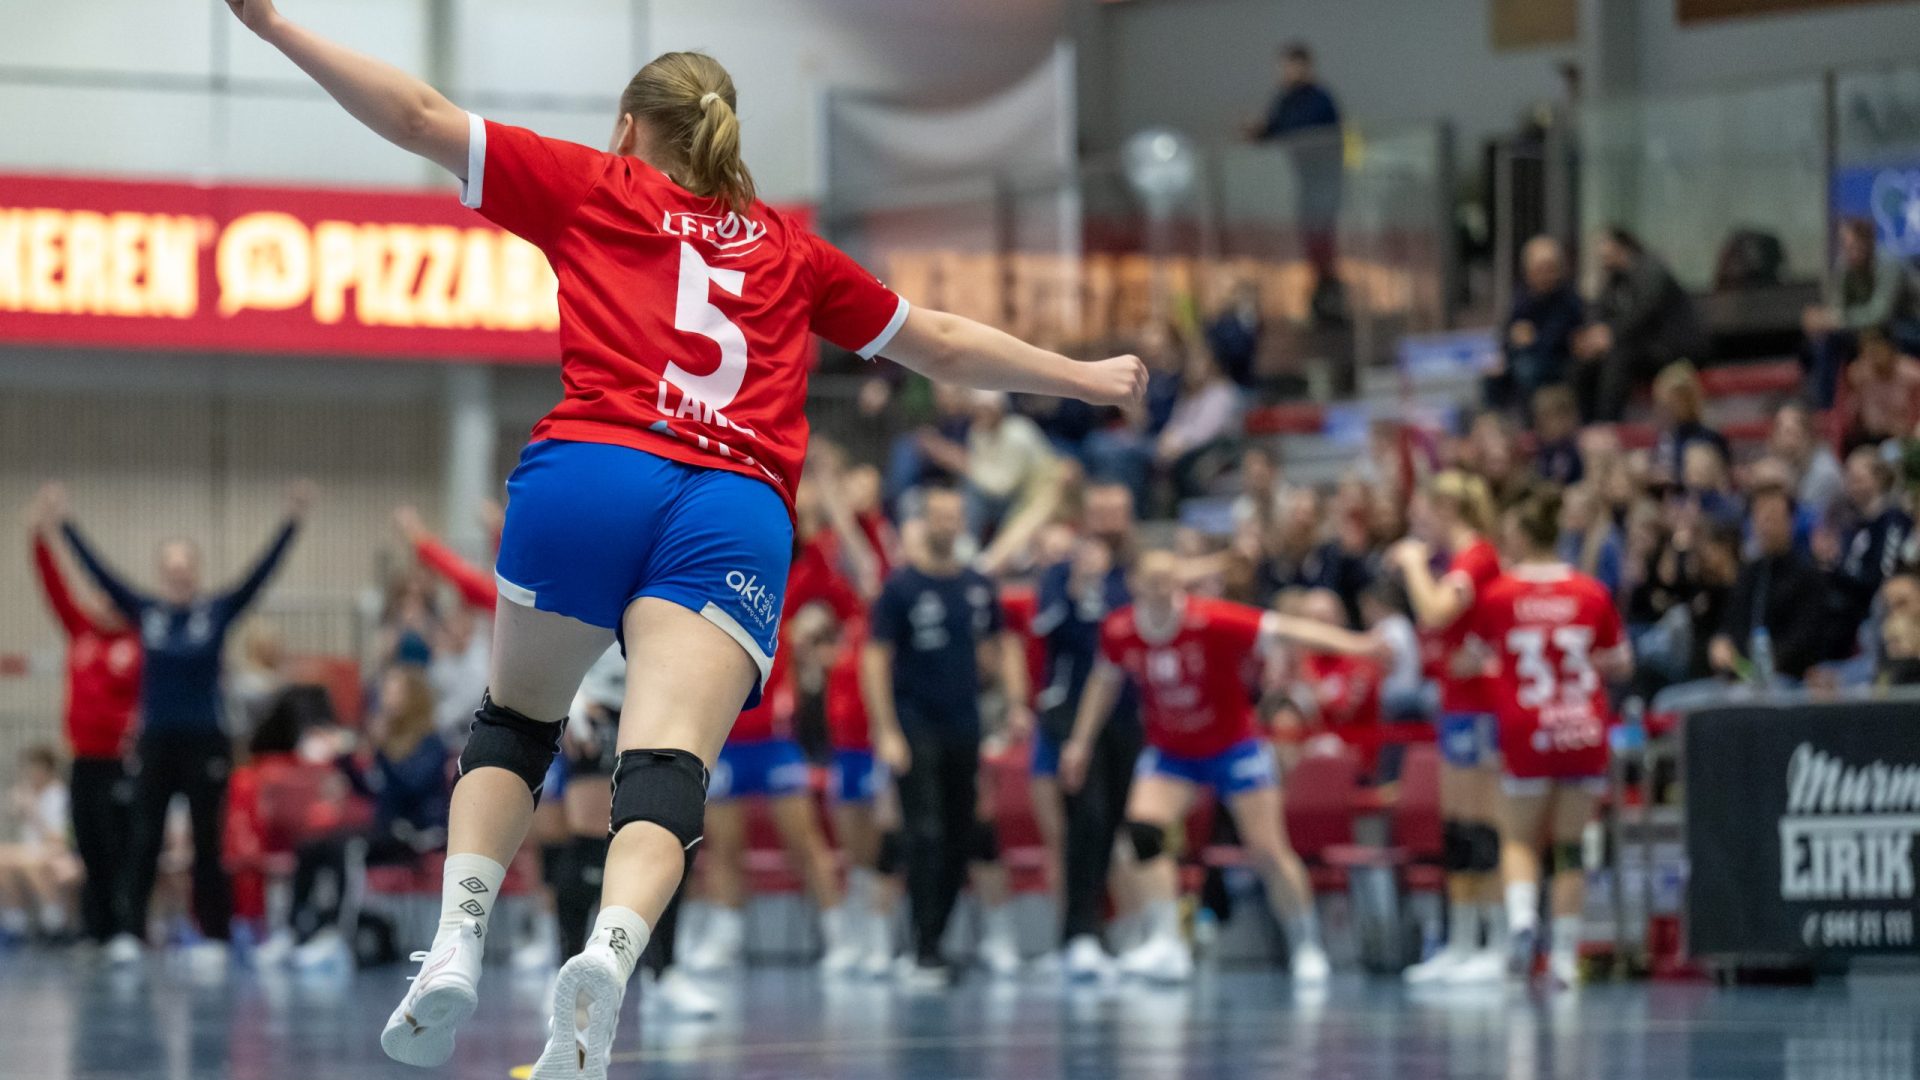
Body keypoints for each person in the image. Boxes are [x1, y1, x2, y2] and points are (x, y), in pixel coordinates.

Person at [221, 3, 1143, 1069]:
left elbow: (421, 117)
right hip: (733, 508)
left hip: (593, 472)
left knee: (517, 722)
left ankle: (458, 939)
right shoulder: (793, 248)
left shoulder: (598, 184)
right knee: (663, 762)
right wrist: (1084, 378)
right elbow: (933, 340)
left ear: (630, 127)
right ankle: (611, 956)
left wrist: (278, 27)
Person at [1059, 550, 1381, 985]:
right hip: (1173, 752)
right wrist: (1080, 742)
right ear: (1135, 584)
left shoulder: (1210, 619)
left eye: (1168, 580)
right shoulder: (1120, 630)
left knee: (1267, 848)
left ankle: (1306, 944)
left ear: (1180, 582)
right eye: (1151, 581)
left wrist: (1358, 645)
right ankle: (1167, 942)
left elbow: (1286, 629)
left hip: (1234, 747)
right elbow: (1103, 681)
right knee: (1142, 834)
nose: (1160, 589)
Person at [60, 479, 309, 970]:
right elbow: (98, 571)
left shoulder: (215, 611)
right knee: (144, 838)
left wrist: (291, 523)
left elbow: (260, 575)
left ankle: (214, 934)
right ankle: (130, 933)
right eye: (170, 568)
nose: (178, 575)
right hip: (156, 741)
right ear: (162, 573)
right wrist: (65, 525)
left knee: (207, 840)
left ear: (195, 571)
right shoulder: (145, 611)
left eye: (185, 567)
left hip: (206, 741)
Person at [861, 488, 1034, 988]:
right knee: (925, 832)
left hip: (965, 723)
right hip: (915, 722)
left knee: (962, 832)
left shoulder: (977, 585)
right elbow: (876, 658)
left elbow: (1001, 643)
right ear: (924, 522)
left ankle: (937, 938)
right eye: (938, 516)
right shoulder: (901, 587)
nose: (947, 524)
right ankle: (922, 947)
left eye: (954, 517)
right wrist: (886, 729)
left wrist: (1016, 702)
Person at [1467, 489, 1632, 988]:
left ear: (1520, 536)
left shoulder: (1499, 594)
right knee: (1570, 848)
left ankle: (1521, 923)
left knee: (1518, 838)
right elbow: (1622, 661)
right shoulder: (1590, 592)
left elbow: (1471, 656)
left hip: (1527, 726)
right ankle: (1562, 958)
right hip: (1582, 726)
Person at [1386, 471, 1507, 986]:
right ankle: (1461, 942)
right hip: (1457, 704)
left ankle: (1497, 944)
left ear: (1447, 510)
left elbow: (1436, 612)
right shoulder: (1455, 562)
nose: (1416, 526)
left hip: (1482, 707)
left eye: (1422, 515)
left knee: (1483, 827)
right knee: (1457, 829)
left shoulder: (1476, 557)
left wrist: (1413, 565)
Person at [1028, 484, 1142, 978]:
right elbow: (1048, 628)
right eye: (1100, 511)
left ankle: (1113, 932)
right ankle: (1078, 933)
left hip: (1125, 710)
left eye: (1117, 510)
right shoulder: (1062, 573)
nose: (1109, 520)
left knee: (1115, 821)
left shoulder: (1132, 573)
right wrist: (1079, 583)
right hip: (1070, 709)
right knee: (1085, 819)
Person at [686, 649, 855, 976]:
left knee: (806, 842)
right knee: (724, 847)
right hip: (725, 742)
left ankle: (839, 936)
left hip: (775, 742)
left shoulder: (782, 623)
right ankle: (724, 937)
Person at [274, 667, 451, 972]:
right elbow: (374, 789)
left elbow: (409, 788)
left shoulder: (432, 743)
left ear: (414, 698)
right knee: (311, 846)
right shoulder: (389, 740)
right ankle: (294, 931)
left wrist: (379, 751)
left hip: (415, 833)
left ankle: (338, 935)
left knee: (349, 848)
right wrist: (343, 759)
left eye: (394, 692)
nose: (386, 699)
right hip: (386, 829)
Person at [26, 484, 139, 949]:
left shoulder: (137, 644)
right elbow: (53, 586)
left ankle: (124, 928)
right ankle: (95, 929)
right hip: (83, 758)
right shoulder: (81, 631)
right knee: (88, 844)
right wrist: (40, 535)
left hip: (120, 761)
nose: (104, 606)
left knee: (119, 845)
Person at [1572, 227, 1704, 424]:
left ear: (1621, 246)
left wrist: (1610, 335)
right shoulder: (1614, 281)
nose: (1600, 255)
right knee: (1582, 365)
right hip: (1640, 347)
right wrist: (1592, 338)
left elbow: (1643, 313)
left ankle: (1608, 423)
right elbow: (1600, 311)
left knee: (1619, 357)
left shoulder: (1651, 270)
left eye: (1604, 246)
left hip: (1672, 347)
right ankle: (1584, 424)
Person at [1246, 42, 1342, 301]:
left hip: (1324, 181)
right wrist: (1257, 132)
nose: (1287, 72)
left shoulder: (1319, 99)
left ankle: (1327, 289)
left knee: (1321, 236)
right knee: (1310, 236)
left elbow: (1304, 130)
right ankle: (1321, 289)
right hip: (1304, 182)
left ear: (1305, 67)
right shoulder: (1284, 99)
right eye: (1285, 67)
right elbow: (1274, 128)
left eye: (1292, 66)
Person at [1709, 484, 1827, 685]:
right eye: (1759, 517)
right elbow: (1731, 620)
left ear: (1790, 521)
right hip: (1737, 675)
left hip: (1785, 678)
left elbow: (1804, 641)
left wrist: (1766, 664)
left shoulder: (1808, 576)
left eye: (1772, 517)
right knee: (1670, 698)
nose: (1765, 525)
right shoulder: (1749, 571)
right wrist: (1721, 641)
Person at [1803, 218, 1920, 408]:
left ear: (1868, 243)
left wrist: (1836, 319)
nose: (1849, 251)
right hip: (1869, 329)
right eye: (1845, 246)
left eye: (1854, 245)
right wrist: (1823, 320)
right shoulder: (1844, 266)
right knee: (1824, 341)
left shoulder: (1889, 263)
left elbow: (1880, 313)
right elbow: (1838, 307)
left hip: (1906, 325)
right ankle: (1824, 407)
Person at [1498, 237, 1585, 415]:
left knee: (1525, 369)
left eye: (1549, 268)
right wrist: (1511, 339)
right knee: (1493, 374)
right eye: (1539, 269)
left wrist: (1531, 338)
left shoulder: (1568, 299)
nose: (1544, 275)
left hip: (1559, 361)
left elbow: (1556, 339)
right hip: (1526, 356)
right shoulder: (1522, 297)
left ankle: (1530, 422)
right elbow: (1508, 332)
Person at [0, 747, 77, 939]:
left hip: (57, 851)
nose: (31, 774)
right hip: (33, 850)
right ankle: (14, 920)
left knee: (31, 863)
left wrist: (32, 813)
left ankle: (54, 920)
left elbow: (60, 840)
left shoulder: (59, 795)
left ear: (47, 770)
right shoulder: (31, 794)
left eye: (35, 769)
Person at [1838, 327, 1920, 455]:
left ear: (1890, 349)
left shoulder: (1912, 375)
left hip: (1906, 439)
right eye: (1867, 353)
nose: (1873, 358)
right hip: (1868, 439)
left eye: (1877, 351)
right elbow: (1849, 417)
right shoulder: (1857, 375)